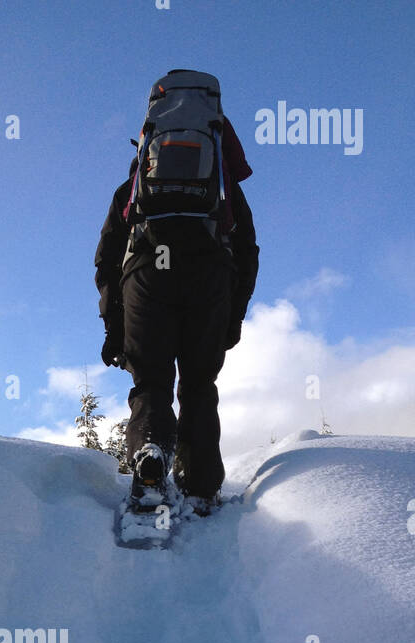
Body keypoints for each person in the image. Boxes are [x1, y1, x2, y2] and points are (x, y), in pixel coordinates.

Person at [95, 82, 259, 508]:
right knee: (199, 383)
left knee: (151, 382)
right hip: (209, 274)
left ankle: (150, 453)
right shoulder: (221, 185)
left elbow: (107, 257)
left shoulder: (136, 184)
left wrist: (114, 326)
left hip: (147, 274)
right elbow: (248, 251)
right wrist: (233, 315)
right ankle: (201, 485)